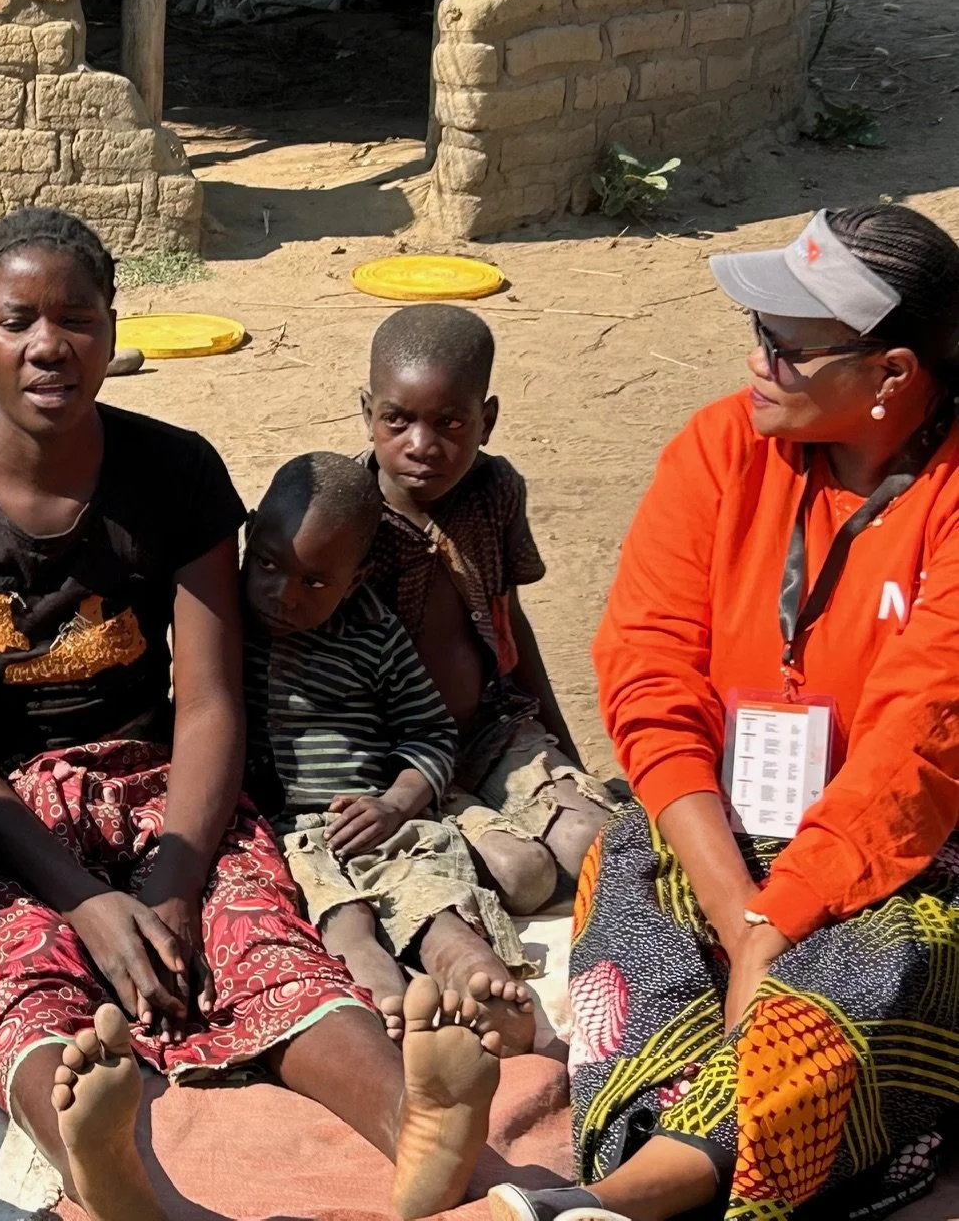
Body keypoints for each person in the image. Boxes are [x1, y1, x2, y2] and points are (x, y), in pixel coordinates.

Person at [0, 207, 507, 1221]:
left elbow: (209, 702)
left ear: (115, 332)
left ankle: (408, 1118)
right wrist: (80, 897)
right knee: (22, 959)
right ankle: (96, 1156)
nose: (47, 345)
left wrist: (169, 879)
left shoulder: (176, 471)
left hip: (155, 773)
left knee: (256, 926)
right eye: (16, 318)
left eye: (76, 317)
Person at [489, 205, 959, 1221]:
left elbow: (919, 741)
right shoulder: (716, 448)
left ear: (891, 376)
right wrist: (737, 907)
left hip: (907, 840)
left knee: (881, 958)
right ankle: (651, 1178)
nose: (757, 364)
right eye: (755, 333)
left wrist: (777, 917)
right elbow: (648, 671)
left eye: (787, 349)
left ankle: (636, 1194)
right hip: (731, 819)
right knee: (626, 873)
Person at [243, 451, 538, 1057]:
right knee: (339, 915)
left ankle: (473, 977)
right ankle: (390, 1003)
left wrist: (396, 804)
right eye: (268, 566)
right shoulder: (222, 620)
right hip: (281, 832)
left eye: (316, 582)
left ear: (353, 580)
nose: (283, 594)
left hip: (374, 815)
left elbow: (430, 734)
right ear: (249, 538)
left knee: (429, 893)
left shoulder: (373, 632)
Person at [358, 305, 625, 914]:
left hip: (490, 725)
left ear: (488, 419)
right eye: (396, 421)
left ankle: (499, 807)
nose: (421, 446)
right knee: (522, 876)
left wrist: (559, 741)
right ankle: (456, 828)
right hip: (394, 755)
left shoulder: (494, 489)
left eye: (450, 422)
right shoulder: (346, 519)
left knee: (597, 842)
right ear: (367, 411)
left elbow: (510, 619)